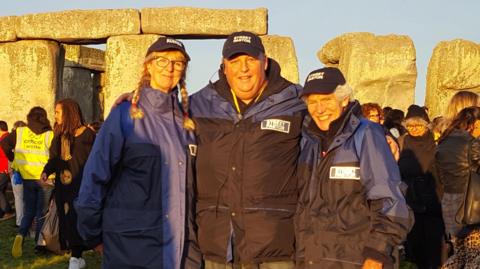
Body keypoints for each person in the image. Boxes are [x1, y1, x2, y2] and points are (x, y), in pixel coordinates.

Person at [75, 36, 201, 269]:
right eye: (162, 60)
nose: (170, 67)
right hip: (132, 248)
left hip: (182, 251)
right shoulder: (125, 116)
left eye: (178, 62)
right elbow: (95, 176)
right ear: (148, 66)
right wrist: (92, 232)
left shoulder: (189, 121)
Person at [188, 31, 305, 268]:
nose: (243, 68)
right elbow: (158, 111)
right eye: (235, 61)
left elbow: (335, 118)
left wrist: (378, 134)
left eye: (250, 60)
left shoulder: (295, 100)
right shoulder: (199, 103)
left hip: (275, 242)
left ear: (265, 62)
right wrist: (135, 96)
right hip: (218, 241)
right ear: (224, 67)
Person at [296, 67, 412, 269]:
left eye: (326, 100)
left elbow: (389, 199)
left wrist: (377, 253)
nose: (319, 109)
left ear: (344, 99)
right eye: (313, 102)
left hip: (356, 260)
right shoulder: (308, 141)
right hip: (312, 259)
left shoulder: (366, 134)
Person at [40, 99, 96, 269]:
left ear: (69, 113)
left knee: (80, 220)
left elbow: (97, 160)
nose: (55, 115)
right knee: (68, 222)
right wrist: (46, 171)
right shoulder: (59, 135)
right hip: (63, 189)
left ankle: (78, 255)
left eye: (58, 112)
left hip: (83, 188)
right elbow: (54, 159)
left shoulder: (88, 135)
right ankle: (76, 256)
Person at [0, 107, 54, 258]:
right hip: (44, 178)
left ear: (29, 118)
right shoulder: (49, 135)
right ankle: (39, 245)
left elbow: (4, 144)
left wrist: (14, 160)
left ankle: (21, 235)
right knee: (41, 212)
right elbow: (55, 154)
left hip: (27, 177)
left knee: (28, 211)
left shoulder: (21, 132)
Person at [397, 105, 443, 269]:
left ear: (426, 125)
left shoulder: (436, 143)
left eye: (418, 125)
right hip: (409, 202)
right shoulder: (402, 142)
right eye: (410, 126)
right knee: (413, 247)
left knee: (434, 248)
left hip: (433, 203)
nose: (414, 129)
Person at [436, 106, 480, 268]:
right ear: (475, 123)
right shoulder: (473, 142)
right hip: (472, 203)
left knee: (459, 252)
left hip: (449, 200)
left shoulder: (444, 140)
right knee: (474, 255)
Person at [10, 120, 27, 226]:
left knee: (18, 198)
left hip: (17, 173)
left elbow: (10, 159)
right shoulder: (28, 142)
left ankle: (20, 221)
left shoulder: (13, 143)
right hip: (27, 173)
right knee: (27, 198)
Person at [0, 120, 15, 221]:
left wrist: (6, 168)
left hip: (4, 170)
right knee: (2, 191)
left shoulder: (5, 139)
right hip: (3, 169)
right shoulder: (5, 137)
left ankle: (7, 211)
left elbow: (7, 155)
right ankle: (4, 211)